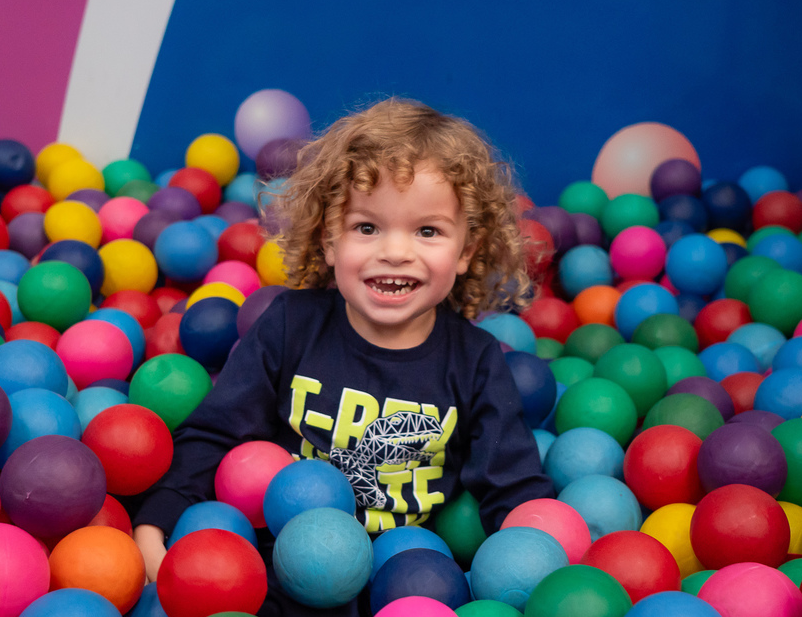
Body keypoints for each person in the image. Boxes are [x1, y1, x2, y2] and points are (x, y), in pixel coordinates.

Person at [132, 98, 554, 588]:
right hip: (274, 560)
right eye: (367, 227)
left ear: (467, 251)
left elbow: (513, 488)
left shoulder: (475, 363)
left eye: (428, 231)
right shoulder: (291, 325)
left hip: (404, 577)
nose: (395, 252)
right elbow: (215, 435)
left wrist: (540, 572)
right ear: (331, 239)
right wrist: (153, 523)